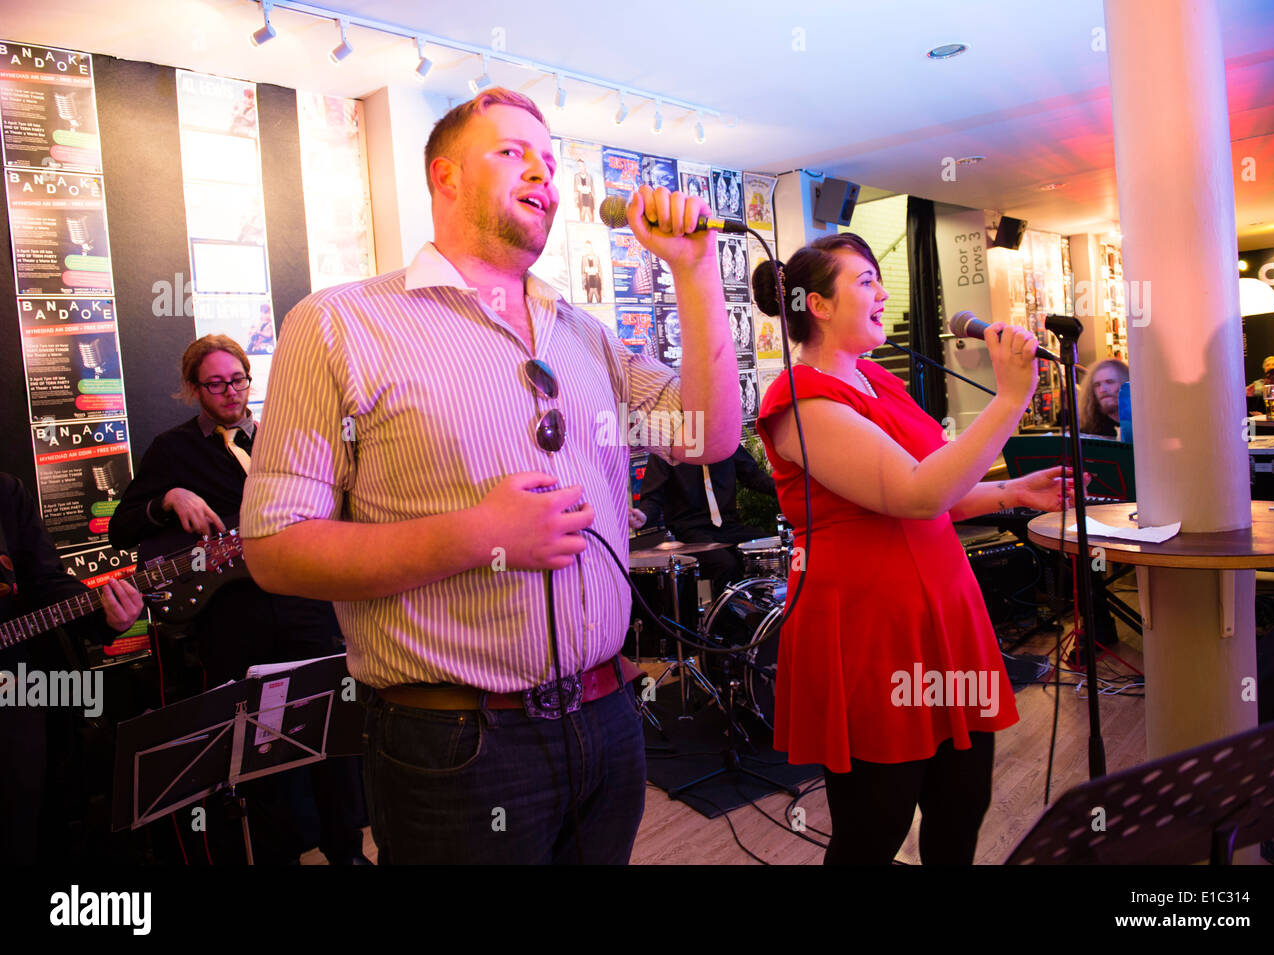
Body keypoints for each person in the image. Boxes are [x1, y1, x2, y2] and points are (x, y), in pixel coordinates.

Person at [238, 87, 739, 865]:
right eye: (512, 151)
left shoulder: (586, 335)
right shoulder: (339, 325)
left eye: (548, 157)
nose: (541, 169)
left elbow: (707, 434)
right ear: (445, 176)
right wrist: (475, 536)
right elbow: (274, 548)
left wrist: (697, 271)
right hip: (454, 745)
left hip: (608, 719)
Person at [752, 233, 1078, 865]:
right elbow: (914, 493)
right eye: (866, 281)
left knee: (962, 802)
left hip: (943, 616)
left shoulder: (878, 381)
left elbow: (943, 488)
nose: (882, 293)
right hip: (873, 628)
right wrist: (1010, 399)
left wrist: (1013, 490)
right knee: (876, 823)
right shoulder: (800, 399)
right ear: (817, 305)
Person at [108, 335, 368, 865]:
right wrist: (167, 498)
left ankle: (346, 851)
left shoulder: (282, 438)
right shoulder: (172, 449)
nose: (231, 392)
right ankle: (278, 856)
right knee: (260, 746)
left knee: (332, 732)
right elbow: (120, 528)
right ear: (193, 389)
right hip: (232, 619)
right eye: (216, 383)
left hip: (304, 602)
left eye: (239, 379)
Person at [1, 473, 142, 864]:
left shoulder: (6, 493)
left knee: (23, 830)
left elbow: (46, 582)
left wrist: (106, 615)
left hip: (11, 691)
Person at [636, 445, 776, 595]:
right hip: (690, 532)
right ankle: (727, 617)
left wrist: (789, 489)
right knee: (725, 565)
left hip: (729, 526)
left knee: (772, 548)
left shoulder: (725, 441)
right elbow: (652, 498)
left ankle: (762, 611)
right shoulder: (666, 449)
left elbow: (753, 476)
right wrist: (643, 516)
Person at [1078, 358, 1129, 437]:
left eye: (1110, 382)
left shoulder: (1143, 424)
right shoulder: (1088, 434)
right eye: (1097, 385)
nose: (1102, 390)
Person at [572, 157, 595, 223]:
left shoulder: (589, 176)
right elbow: (576, 189)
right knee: (582, 215)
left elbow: (592, 189)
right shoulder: (576, 176)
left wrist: (595, 201)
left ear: (585, 166)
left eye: (581, 166)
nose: (580, 168)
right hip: (581, 197)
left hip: (589, 198)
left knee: (590, 215)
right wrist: (575, 200)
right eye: (579, 166)